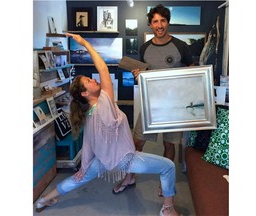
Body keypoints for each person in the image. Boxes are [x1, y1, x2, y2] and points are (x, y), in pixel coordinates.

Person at [35, 32, 179, 216]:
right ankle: (168, 209)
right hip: (124, 160)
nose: (94, 80)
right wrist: (84, 42)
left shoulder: (90, 113)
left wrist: (85, 166)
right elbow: (103, 68)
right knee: (168, 166)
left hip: (102, 161)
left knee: (78, 178)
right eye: (89, 81)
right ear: (86, 94)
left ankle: (44, 200)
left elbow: (88, 143)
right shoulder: (104, 102)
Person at [113, 4, 194, 196]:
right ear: (150, 25)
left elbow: (192, 73)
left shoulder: (181, 46)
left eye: (163, 21)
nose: (159, 25)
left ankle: (164, 183)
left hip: (174, 106)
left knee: (169, 145)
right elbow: (144, 75)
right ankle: (130, 176)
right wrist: (137, 76)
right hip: (151, 104)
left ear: (168, 23)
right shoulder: (145, 48)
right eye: (155, 21)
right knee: (137, 142)